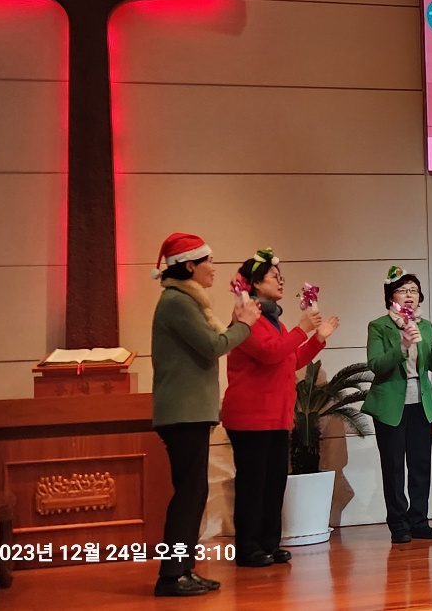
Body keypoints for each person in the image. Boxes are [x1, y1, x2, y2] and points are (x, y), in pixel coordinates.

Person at [148, 232, 259, 597]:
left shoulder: (186, 301)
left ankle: (183, 569)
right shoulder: (177, 302)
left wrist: (237, 324)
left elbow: (213, 341)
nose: (213, 267)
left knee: (194, 492)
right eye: (208, 261)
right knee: (189, 493)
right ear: (189, 266)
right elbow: (214, 346)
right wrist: (245, 324)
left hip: (190, 412)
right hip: (182, 412)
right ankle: (171, 575)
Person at [221, 248, 338, 567]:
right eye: (274, 276)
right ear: (256, 284)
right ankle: (248, 547)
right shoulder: (246, 318)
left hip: (275, 415)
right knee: (253, 484)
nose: (281, 281)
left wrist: (317, 339)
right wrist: (302, 328)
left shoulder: (274, 321)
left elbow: (291, 359)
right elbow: (270, 353)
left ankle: (269, 544)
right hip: (250, 416)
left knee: (274, 483)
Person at [363, 266, 432, 543]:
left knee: (420, 464)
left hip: (420, 403)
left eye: (414, 290)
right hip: (390, 404)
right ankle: (398, 524)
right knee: (393, 467)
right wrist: (401, 346)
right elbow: (376, 364)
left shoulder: (424, 326)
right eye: (403, 290)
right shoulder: (379, 326)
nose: (409, 295)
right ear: (391, 296)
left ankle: (419, 521)